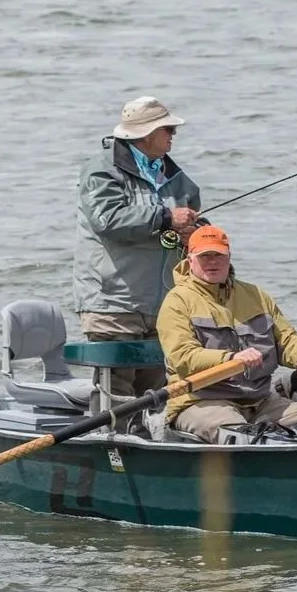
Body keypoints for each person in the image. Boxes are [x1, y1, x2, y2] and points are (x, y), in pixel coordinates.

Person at [72, 96, 201, 399]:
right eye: (167, 128)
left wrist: (196, 231)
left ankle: (151, 443)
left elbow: (191, 212)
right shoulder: (101, 170)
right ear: (145, 134)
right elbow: (108, 219)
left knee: (156, 394)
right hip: (113, 303)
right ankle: (114, 446)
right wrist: (167, 217)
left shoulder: (174, 175)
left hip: (163, 304)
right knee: (115, 395)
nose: (173, 134)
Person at [157, 224, 297, 442]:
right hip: (199, 402)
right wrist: (231, 358)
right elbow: (182, 357)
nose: (212, 262)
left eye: (218, 255)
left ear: (229, 257)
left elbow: (287, 339)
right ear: (190, 259)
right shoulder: (177, 301)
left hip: (260, 401)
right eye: (205, 256)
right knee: (243, 437)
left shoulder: (256, 295)